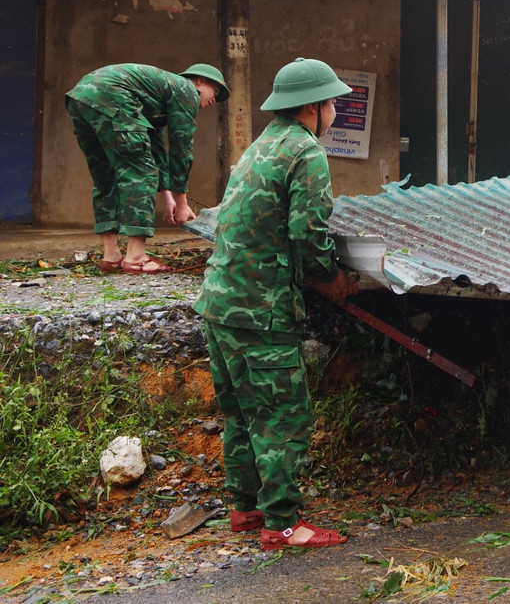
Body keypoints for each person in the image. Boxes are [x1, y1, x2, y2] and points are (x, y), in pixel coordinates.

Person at [194, 57, 359, 550]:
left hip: (219, 302)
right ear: (312, 106)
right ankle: (283, 526)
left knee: (241, 412)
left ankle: (245, 509)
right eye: (332, 102)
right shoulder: (305, 152)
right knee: (282, 418)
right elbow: (307, 234)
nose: (334, 110)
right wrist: (332, 279)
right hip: (260, 309)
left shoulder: (261, 145)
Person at [65, 63, 228, 273]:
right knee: (141, 173)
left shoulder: (157, 95)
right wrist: (182, 203)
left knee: (105, 176)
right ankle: (136, 257)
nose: (215, 99)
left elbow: (157, 149)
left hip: (80, 98)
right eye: (215, 91)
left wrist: (168, 197)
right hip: (113, 96)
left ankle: (112, 255)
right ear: (199, 81)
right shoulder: (186, 89)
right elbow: (181, 147)